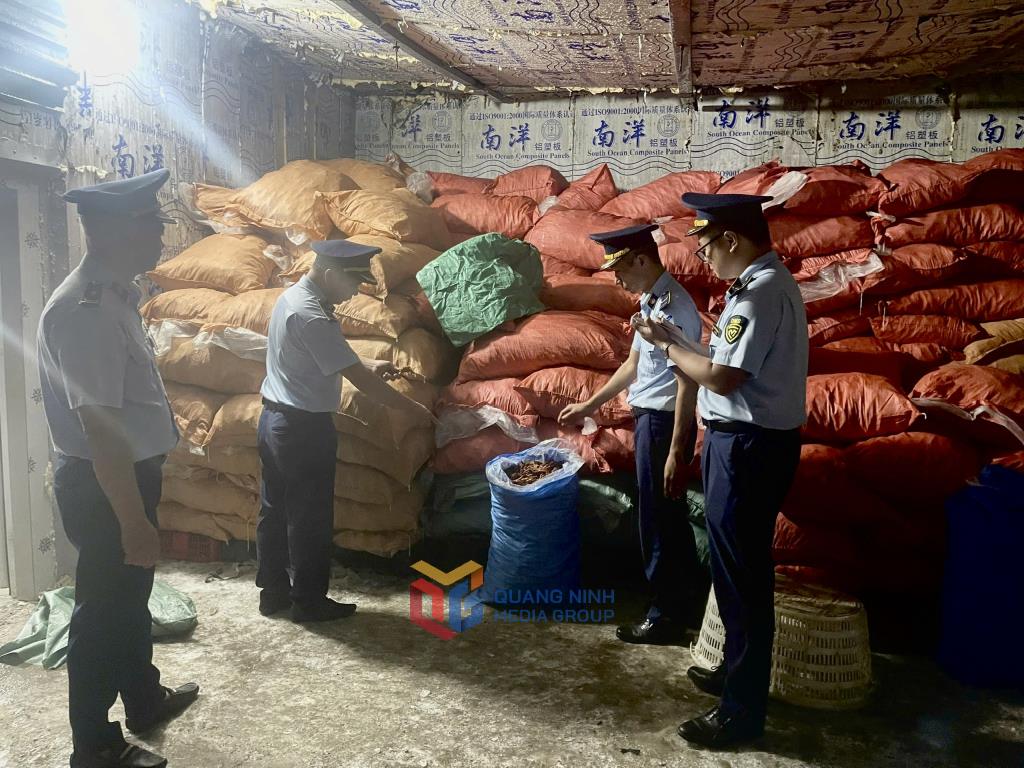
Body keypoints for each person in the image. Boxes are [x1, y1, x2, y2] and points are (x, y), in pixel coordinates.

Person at [632, 193, 808, 749]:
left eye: (706, 244)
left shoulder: (760, 294)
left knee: (742, 578)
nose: (703, 256)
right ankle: (737, 673)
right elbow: (718, 362)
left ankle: (741, 712)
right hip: (744, 444)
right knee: (736, 573)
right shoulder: (758, 286)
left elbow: (723, 377)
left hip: (748, 447)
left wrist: (669, 347)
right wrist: (674, 341)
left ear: (731, 239)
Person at [37, 168, 198, 768]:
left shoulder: (116, 297)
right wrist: (132, 520)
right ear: (108, 231)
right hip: (106, 485)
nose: (160, 235)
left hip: (123, 477)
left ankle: (144, 698)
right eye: (150, 223)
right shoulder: (87, 311)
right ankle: (94, 744)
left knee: (130, 599)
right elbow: (100, 431)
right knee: (102, 613)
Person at [257, 238, 436, 623]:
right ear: (327, 273)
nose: (355, 291)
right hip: (303, 431)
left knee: (274, 510)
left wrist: (367, 363)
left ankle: (272, 593)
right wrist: (414, 410)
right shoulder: (313, 315)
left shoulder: (293, 298)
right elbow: (362, 382)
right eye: (352, 282)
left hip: (273, 421)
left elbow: (319, 356)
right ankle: (309, 602)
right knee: (310, 518)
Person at [558, 224, 703, 644]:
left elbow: (686, 383)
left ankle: (664, 615)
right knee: (663, 517)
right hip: (650, 420)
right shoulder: (651, 300)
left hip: (663, 423)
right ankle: (679, 605)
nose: (618, 281)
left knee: (658, 521)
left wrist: (676, 450)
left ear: (642, 259)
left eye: (620, 270)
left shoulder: (675, 308)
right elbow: (633, 366)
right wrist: (589, 405)